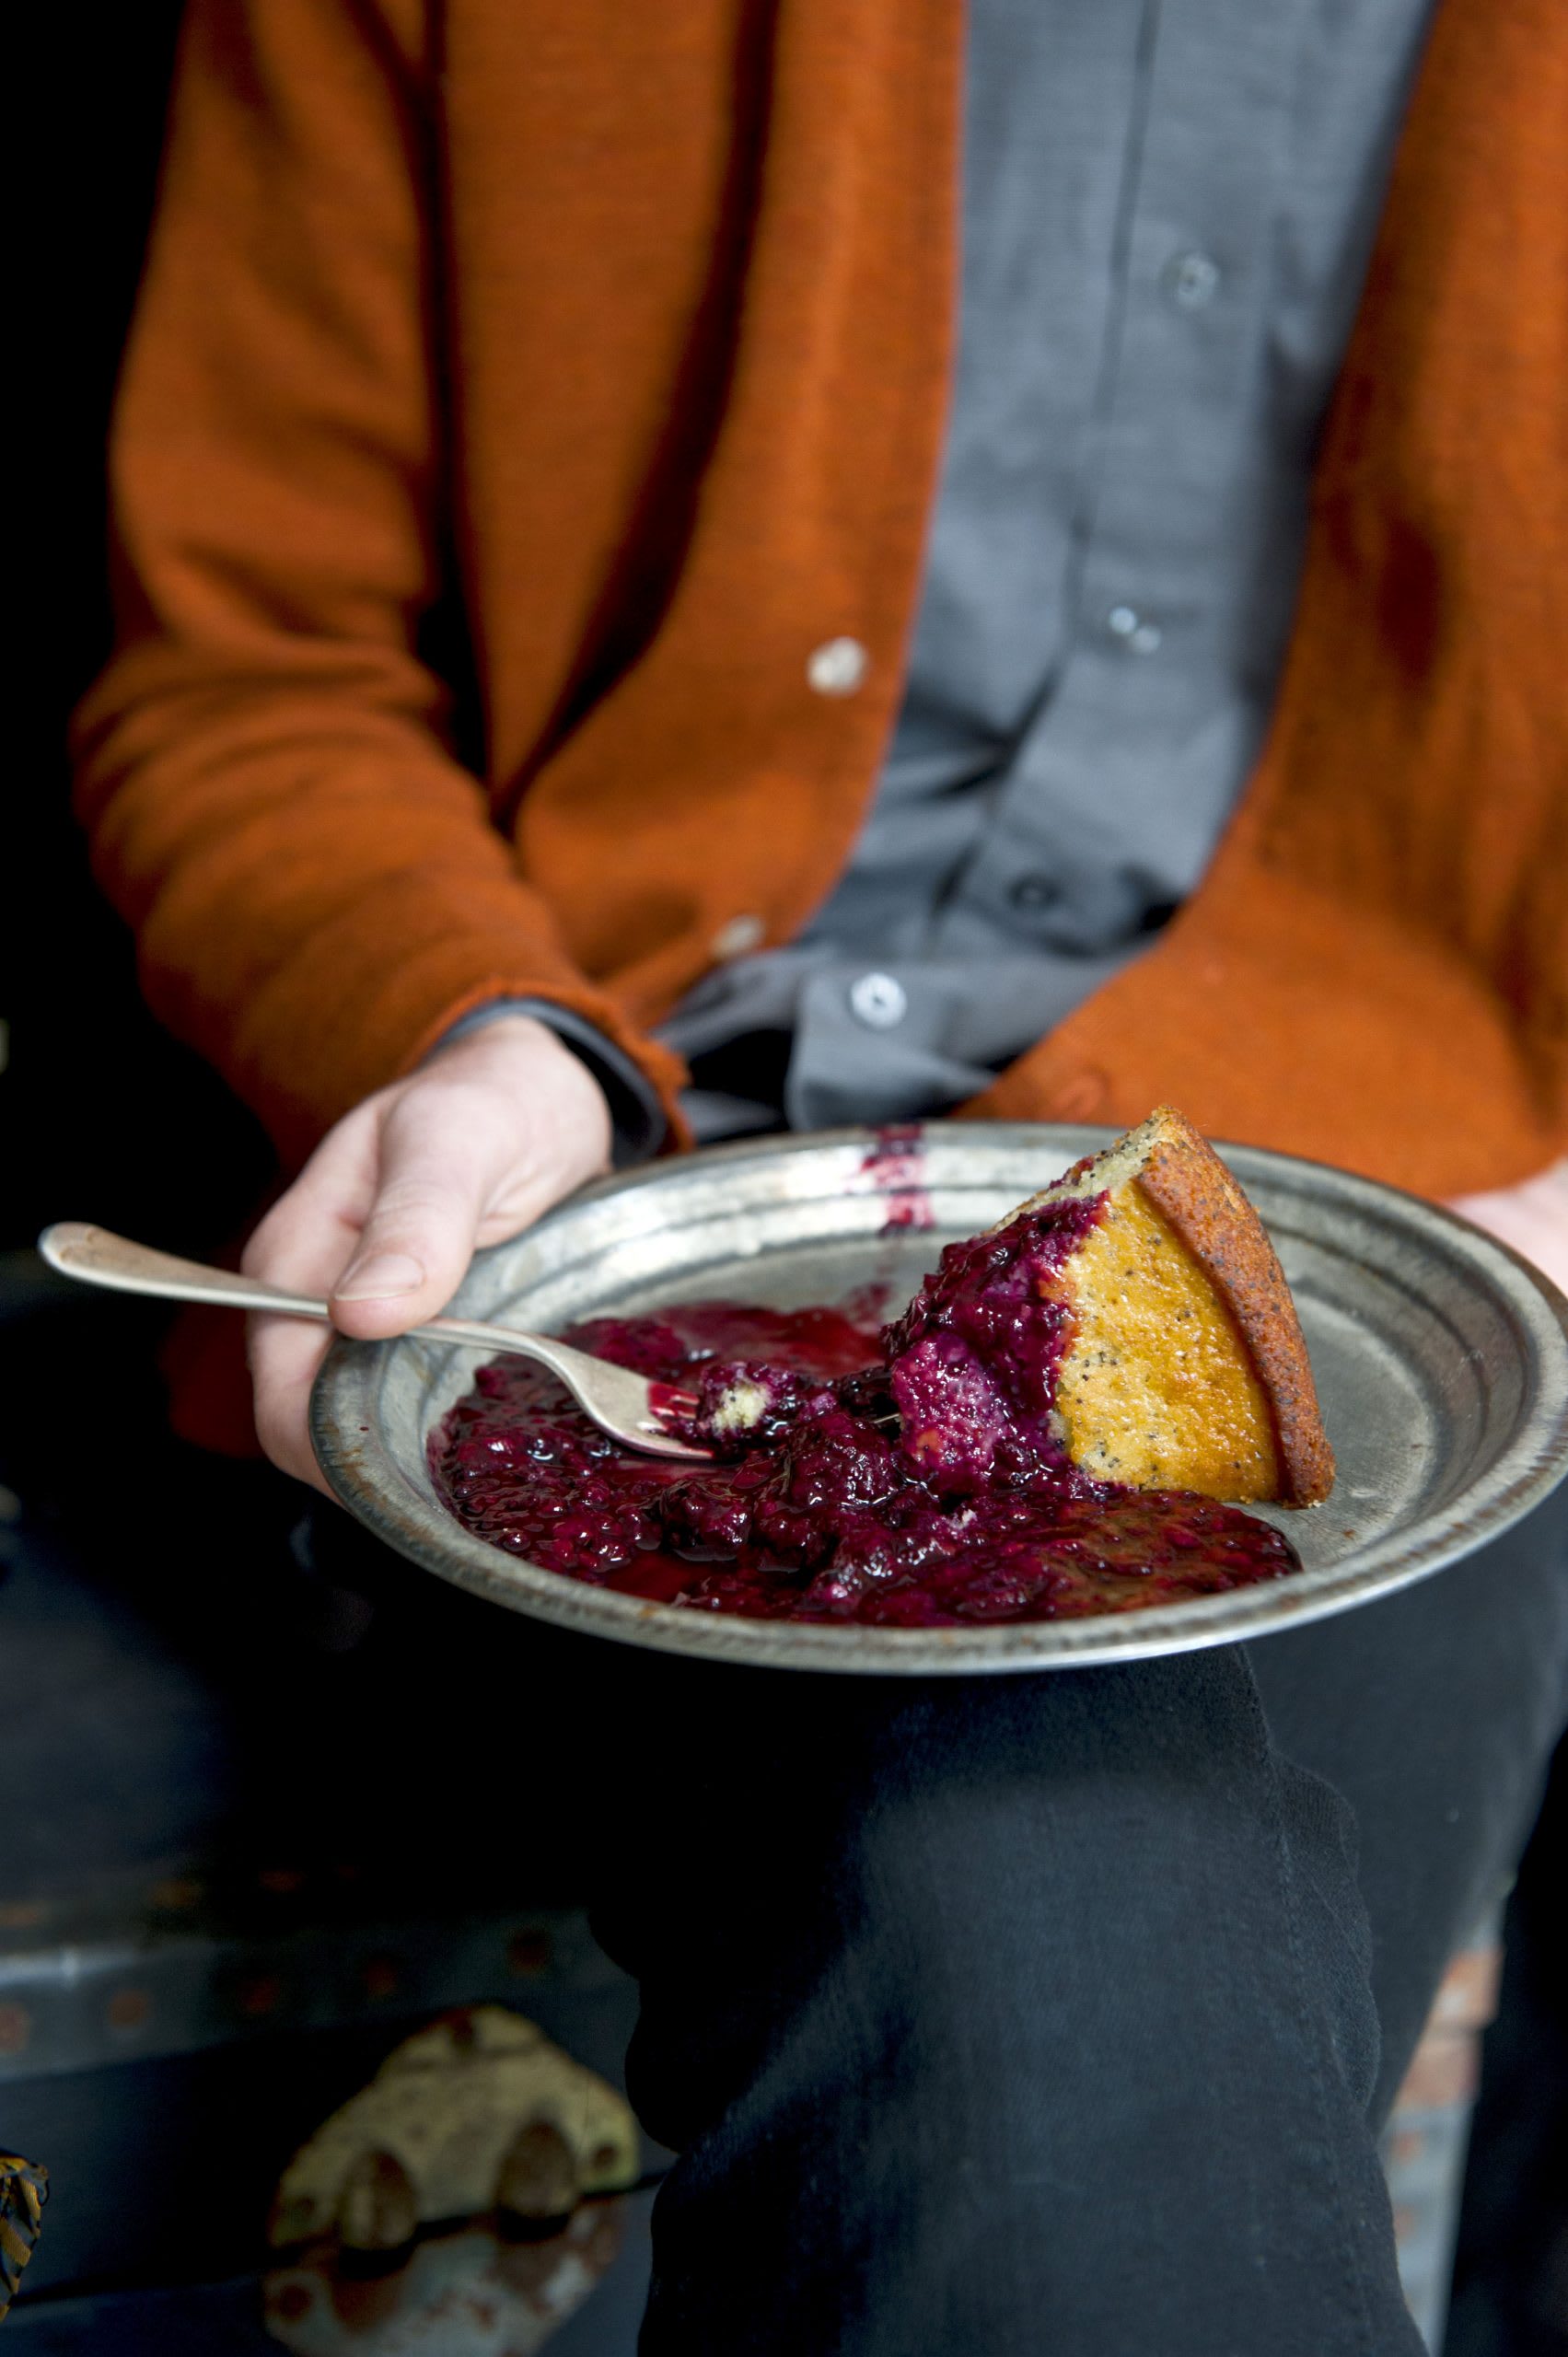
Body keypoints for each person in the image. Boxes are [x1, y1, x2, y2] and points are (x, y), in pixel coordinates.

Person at [71, 1, 1567, 2348]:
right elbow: (257, 660)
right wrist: (469, 1042)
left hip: (1423, 1285)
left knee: (1049, 1874)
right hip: (610, 1188)